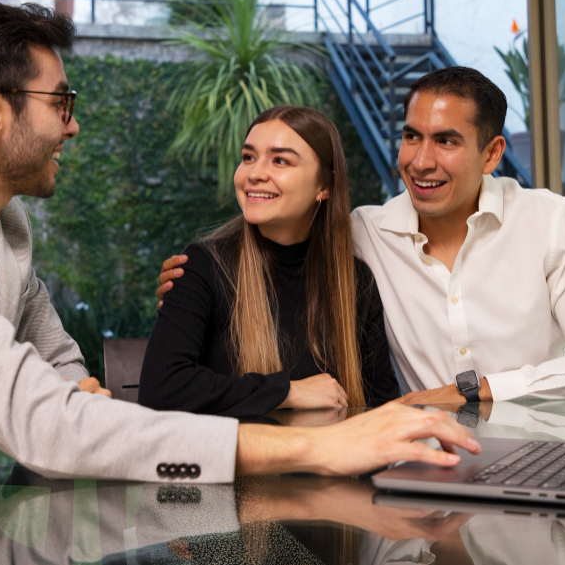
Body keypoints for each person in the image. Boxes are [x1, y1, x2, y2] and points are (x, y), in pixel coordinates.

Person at [0, 0, 480, 564]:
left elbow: (62, 370)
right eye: (60, 103)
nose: (73, 125)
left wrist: (78, 405)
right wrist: (318, 448)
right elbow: (45, 423)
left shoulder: (4, 231)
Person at [157, 67, 565, 406]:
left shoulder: (548, 220)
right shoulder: (361, 234)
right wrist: (195, 281)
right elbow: (282, 244)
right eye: (412, 137)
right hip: (421, 466)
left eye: (446, 141)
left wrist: (472, 392)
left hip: (539, 451)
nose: (421, 161)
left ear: (493, 154)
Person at [139, 106, 401, 417]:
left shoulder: (355, 281)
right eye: (249, 157)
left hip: (335, 449)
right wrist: (288, 391)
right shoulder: (204, 267)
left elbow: (381, 407)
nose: (254, 173)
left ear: (324, 186)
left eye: (280, 161)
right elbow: (160, 389)